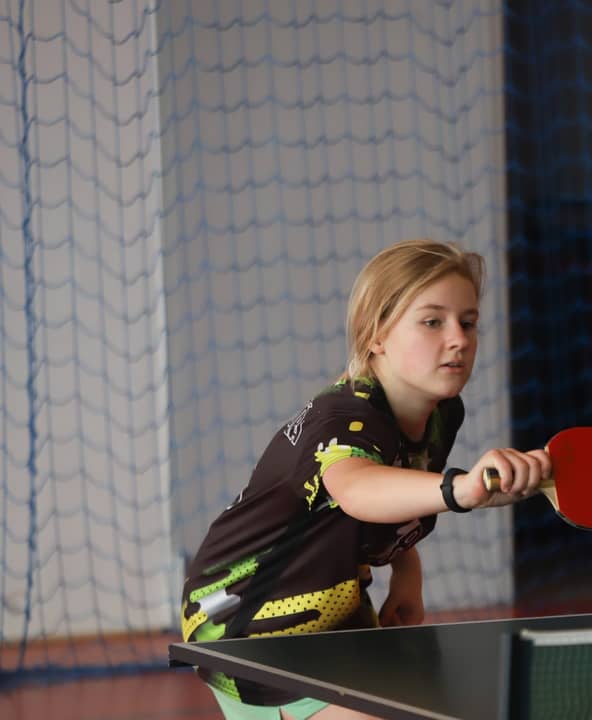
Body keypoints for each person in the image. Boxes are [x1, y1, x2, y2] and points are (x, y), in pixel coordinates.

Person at [179, 239, 551, 720]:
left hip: (334, 612)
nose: (458, 339)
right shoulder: (344, 418)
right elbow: (357, 490)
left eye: (468, 321)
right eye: (432, 322)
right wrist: (459, 489)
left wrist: (408, 574)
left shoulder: (440, 414)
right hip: (248, 621)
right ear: (376, 334)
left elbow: (387, 499)